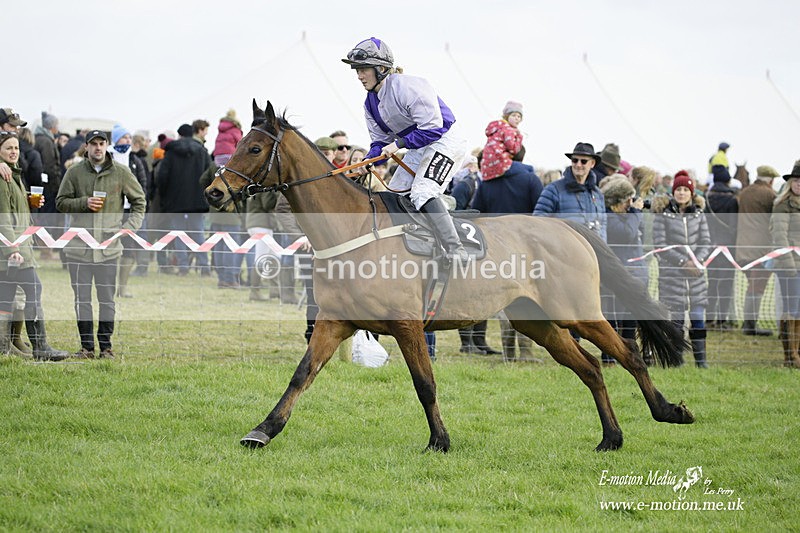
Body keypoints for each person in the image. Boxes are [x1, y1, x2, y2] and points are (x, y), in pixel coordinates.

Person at [342, 37, 468, 263]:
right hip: (419, 146)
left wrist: (398, 145)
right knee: (393, 196)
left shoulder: (409, 86)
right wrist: (369, 161)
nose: (359, 76)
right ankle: (414, 245)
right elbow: (379, 143)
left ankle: (455, 248)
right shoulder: (370, 103)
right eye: (356, 71)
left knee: (423, 192)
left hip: (445, 141)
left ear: (381, 68)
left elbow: (433, 129)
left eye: (363, 70)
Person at [56, 130, 146, 359]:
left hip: (109, 248)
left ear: (108, 145)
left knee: (107, 299)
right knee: (82, 299)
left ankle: (106, 346)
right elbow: (60, 202)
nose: (97, 148)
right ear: (86, 147)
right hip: (78, 249)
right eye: (93, 144)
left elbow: (139, 201)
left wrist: (130, 227)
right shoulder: (74, 172)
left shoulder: (121, 172)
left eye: (101, 143)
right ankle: (86, 347)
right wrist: (83, 202)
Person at [0, 132, 68, 361]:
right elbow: (3, 218)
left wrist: (26, 200)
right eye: (8, 148)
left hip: (16, 246)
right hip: (13, 249)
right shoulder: (3, 177)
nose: (13, 152)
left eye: (16, 148)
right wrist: (13, 249)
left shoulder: (13, 173)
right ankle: (41, 347)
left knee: (6, 295)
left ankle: (2, 348)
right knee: (34, 289)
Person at [652, 170, 712, 368]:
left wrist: (696, 261)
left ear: (692, 192)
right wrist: (682, 263)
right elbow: (660, 245)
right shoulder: (663, 216)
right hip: (672, 277)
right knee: (676, 322)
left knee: (697, 320)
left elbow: (706, 242)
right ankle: (677, 359)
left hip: (696, 277)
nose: (682, 193)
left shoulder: (699, 215)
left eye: (686, 189)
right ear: (673, 192)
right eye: (678, 189)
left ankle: (701, 362)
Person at [600, 175, 648, 365]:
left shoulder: (629, 216)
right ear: (618, 201)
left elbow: (638, 236)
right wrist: (636, 213)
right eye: (629, 199)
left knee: (630, 318)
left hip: (633, 273)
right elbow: (627, 233)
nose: (631, 202)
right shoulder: (609, 217)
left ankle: (629, 355)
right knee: (612, 318)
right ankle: (609, 356)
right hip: (616, 275)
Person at [156, 122, 212, 276]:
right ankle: (204, 266)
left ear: (179, 135)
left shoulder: (171, 152)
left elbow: (162, 177)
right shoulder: (202, 151)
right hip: (197, 200)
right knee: (199, 233)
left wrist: (164, 195)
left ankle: (183, 267)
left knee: (178, 233)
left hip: (175, 200)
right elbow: (210, 175)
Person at [737, 165, 780, 338]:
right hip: (761, 249)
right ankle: (750, 325)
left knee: (752, 285)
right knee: (757, 286)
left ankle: (748, 323)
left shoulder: (745, 192)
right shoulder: (770, 194)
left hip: (741, 248)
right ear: (771, 180)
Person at [533, 142, 606, 241]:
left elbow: (603, 225)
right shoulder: (553, 190)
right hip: (563, 251)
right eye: (575, 160)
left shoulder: (597, 194)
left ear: (592, 163)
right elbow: (538, 222)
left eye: (583, 161)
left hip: (593, 252)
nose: (578, 164)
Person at [109, 124, 149, 298]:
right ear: (116, 139)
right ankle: (108, 287)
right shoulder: (107, 156)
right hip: (110, 211)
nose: (127, 140)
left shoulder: (135, 160)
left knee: (129, 249)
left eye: (129, 137)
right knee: (109, 249)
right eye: (124, 137)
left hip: (129, 210)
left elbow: (143, 183)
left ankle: (122, 287)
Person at [769, 160, 800, 368]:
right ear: (791, 183)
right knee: (792, 309)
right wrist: (789, 266)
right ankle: (791, 355)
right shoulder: (782, 205)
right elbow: (779, 237)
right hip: (790, 266)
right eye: (797, 180)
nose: (799, 184)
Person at [704, 165, 739, 331]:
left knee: (712, 283)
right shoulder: (732, 200)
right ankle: (722, 321)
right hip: (727, 248)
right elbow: (734, 227)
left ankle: (709, 319)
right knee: (726, 284)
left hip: (710, 246)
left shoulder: (707, 198)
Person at [480, 101, 523, 181]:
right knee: (528, 170)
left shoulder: (496, 128)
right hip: (500, 164)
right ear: (506, 116)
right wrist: (519, 137)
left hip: (487, 166)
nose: (517, 118)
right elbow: (513, 149)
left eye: (519, 116)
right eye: (513, 115)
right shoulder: (508, 129)